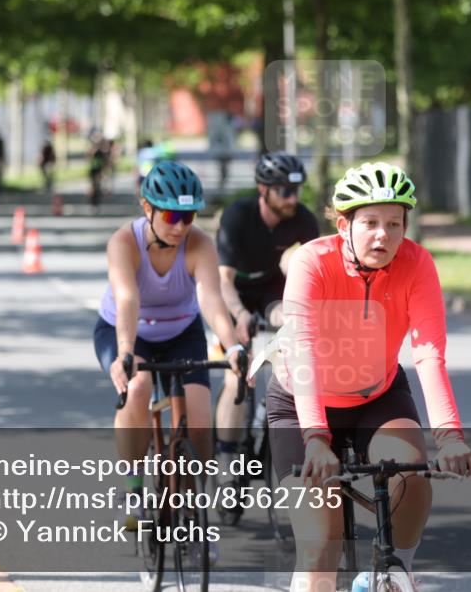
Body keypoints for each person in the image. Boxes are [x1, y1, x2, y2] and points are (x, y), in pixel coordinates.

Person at [266, 162, 471, 591]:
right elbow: (301, 352)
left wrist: (450, 436)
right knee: (320, 547)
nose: (383, 235)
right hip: (301, 400)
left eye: (394, 224)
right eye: (371, 223)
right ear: (344, 225)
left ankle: (391, 571)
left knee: (412, 479)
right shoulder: (312, 262)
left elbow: (429, 354)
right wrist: (315, 439)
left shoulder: (417, 264)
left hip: (376, 395)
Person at [92, 160, 245, 538]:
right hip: (126, 331)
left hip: (181, 332)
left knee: (198, 415)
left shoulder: (199, 243)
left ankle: (190, 511)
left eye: (189, 216)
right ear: (148, 208)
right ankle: (132, 490)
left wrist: (233, 347)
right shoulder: (123, 242)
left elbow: (211, 299)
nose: (180, 227)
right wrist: (125, 353)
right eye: (172, 215)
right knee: (138, 388)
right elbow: (127, 299)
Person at [214, 152, 319, 475]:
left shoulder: (302, 218)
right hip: (235, 294)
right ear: (264, 189)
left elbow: (317, 271)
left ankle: (269, 419)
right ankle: (226, 458)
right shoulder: (238, 217)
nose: (293, 198)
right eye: (285, 191)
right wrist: (240, 314)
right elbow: (223, 281)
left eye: (297, 190)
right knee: (237, 375)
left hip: (271, 291)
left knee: (292, 328)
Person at [87, 140, 109, 209]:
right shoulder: (91, 153)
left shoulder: (100, 153)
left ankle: (97, 201)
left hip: (98, 171)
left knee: (98, 186)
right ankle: (93, 202)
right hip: (93, 171)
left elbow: (104, 163)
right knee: (93, 187)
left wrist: (104, 173)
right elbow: (89, 161)